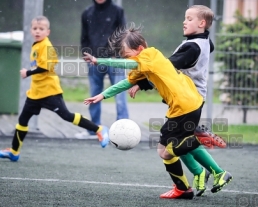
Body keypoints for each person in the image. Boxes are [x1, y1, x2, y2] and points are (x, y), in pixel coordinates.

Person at [82, 23, 231, 199]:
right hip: (187, 103)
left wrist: (99, 60)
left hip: (184, 105)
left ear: (139, 49)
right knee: (165, 151)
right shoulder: (145, 62)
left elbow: (120, 63)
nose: (127, 60)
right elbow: (126, 83)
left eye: (128, 56)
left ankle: (201, 149)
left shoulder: (149, 55)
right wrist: (102, 95)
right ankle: (186, 186)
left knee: (170, 148)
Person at [128, 5, 231, 197]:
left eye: (190, 19)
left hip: (188, 99)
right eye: (185, 17)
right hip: (187, 98)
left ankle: (212, 172)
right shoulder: (203, 41)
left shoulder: (192, 47)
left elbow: (165, 68)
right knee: (171, 144)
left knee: (168, 147)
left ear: (201, 24)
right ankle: (200, 173)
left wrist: (141, 82)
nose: (184, 21)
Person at [0, 16, 109, 162]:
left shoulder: (46, 46)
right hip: (35, 93)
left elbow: (45, 67)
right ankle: (14, 151)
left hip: (49, 92)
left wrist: (27, 72)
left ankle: (99, 129)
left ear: (48, 32)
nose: (37, 31)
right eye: (35, 28)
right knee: (22, 120)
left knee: (67, 116)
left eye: (41, 29)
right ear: (30, 30)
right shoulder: (36, 45)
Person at [76, 0, 129, 139]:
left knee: (120, 95)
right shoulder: (87, 13)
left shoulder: (117, 11)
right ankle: (94, 129)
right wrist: (88, 55)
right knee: (94, 94)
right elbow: (84, 37)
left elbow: (124, 35)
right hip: (94, 61)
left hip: (115, 60)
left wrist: (118, 56)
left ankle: (123, 131)